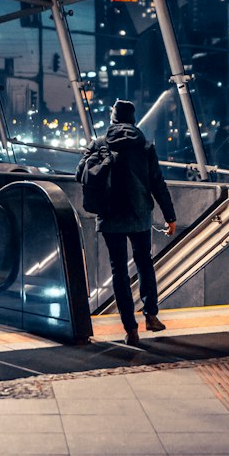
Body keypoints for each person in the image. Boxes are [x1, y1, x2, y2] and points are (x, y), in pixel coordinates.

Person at [78, 99, 176, 346]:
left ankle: (130, 329)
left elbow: (80, 174)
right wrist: (170, 216)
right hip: (140, 215)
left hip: (110, 215)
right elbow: (157, 183)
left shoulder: (99, 144)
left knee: (118, 271)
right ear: (132, 119)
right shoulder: (144, 145)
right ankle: (151, 316)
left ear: (112, 118)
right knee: (144, 264)